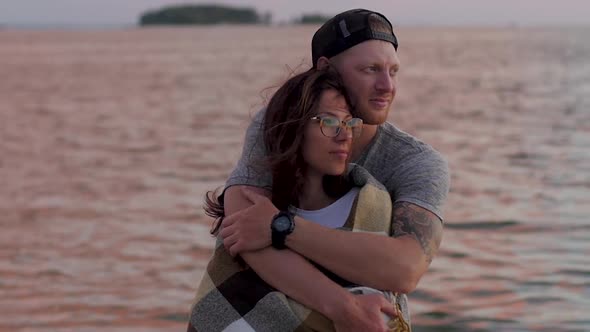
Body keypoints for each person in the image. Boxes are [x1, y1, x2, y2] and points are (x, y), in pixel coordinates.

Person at [189, 67, 410, 332]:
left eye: (350, 123)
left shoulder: (372, 207)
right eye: (329, 122)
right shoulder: (250, 215)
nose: (344, 135)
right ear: (295, 127)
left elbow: (387, 301)